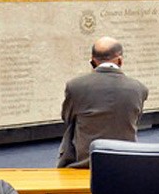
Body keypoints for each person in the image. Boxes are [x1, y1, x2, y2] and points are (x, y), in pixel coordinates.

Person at [57, 37, 149, 168]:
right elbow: (133, 120)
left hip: (84, 164)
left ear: (93, 60)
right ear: (120, 60)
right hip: (126, 160)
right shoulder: (139, 88)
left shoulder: (75, 86)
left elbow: (67, 118)